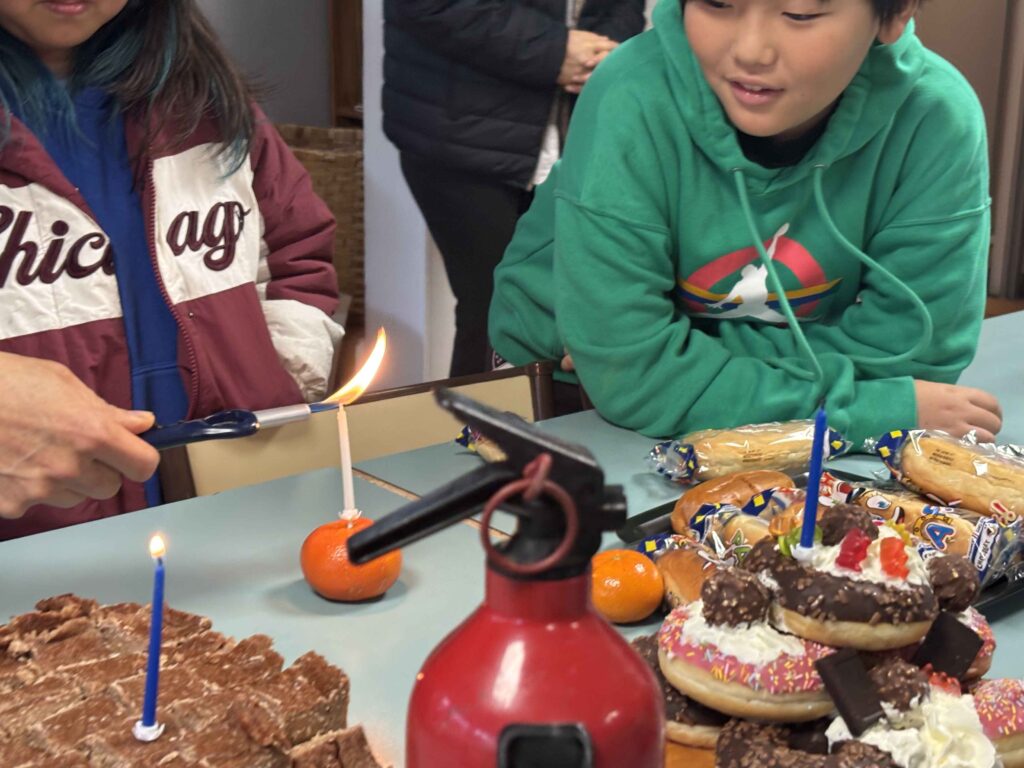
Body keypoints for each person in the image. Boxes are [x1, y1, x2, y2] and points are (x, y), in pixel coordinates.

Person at [489, 0, 1004, 448]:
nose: (751, 51)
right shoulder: (629, 95)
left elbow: (913, 355)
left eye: (799, 13)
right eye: (717, 3)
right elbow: (631, 381)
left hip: (708, 411)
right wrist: (874, 409)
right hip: (563, 399)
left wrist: (667, 356)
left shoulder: (935, 118)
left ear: (896, 12)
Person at [0, 0, 344, 538]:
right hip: (42, 542)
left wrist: (280, 379)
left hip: (236, 508)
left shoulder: (205, 98)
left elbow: (295, 250)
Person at [383, 0, 645, 377]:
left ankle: (540, 416)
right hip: (462, 135)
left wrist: (604, 51)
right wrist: (554, 51)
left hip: (576, 132)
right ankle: (477, 418)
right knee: (491, 313)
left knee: (565, 312)